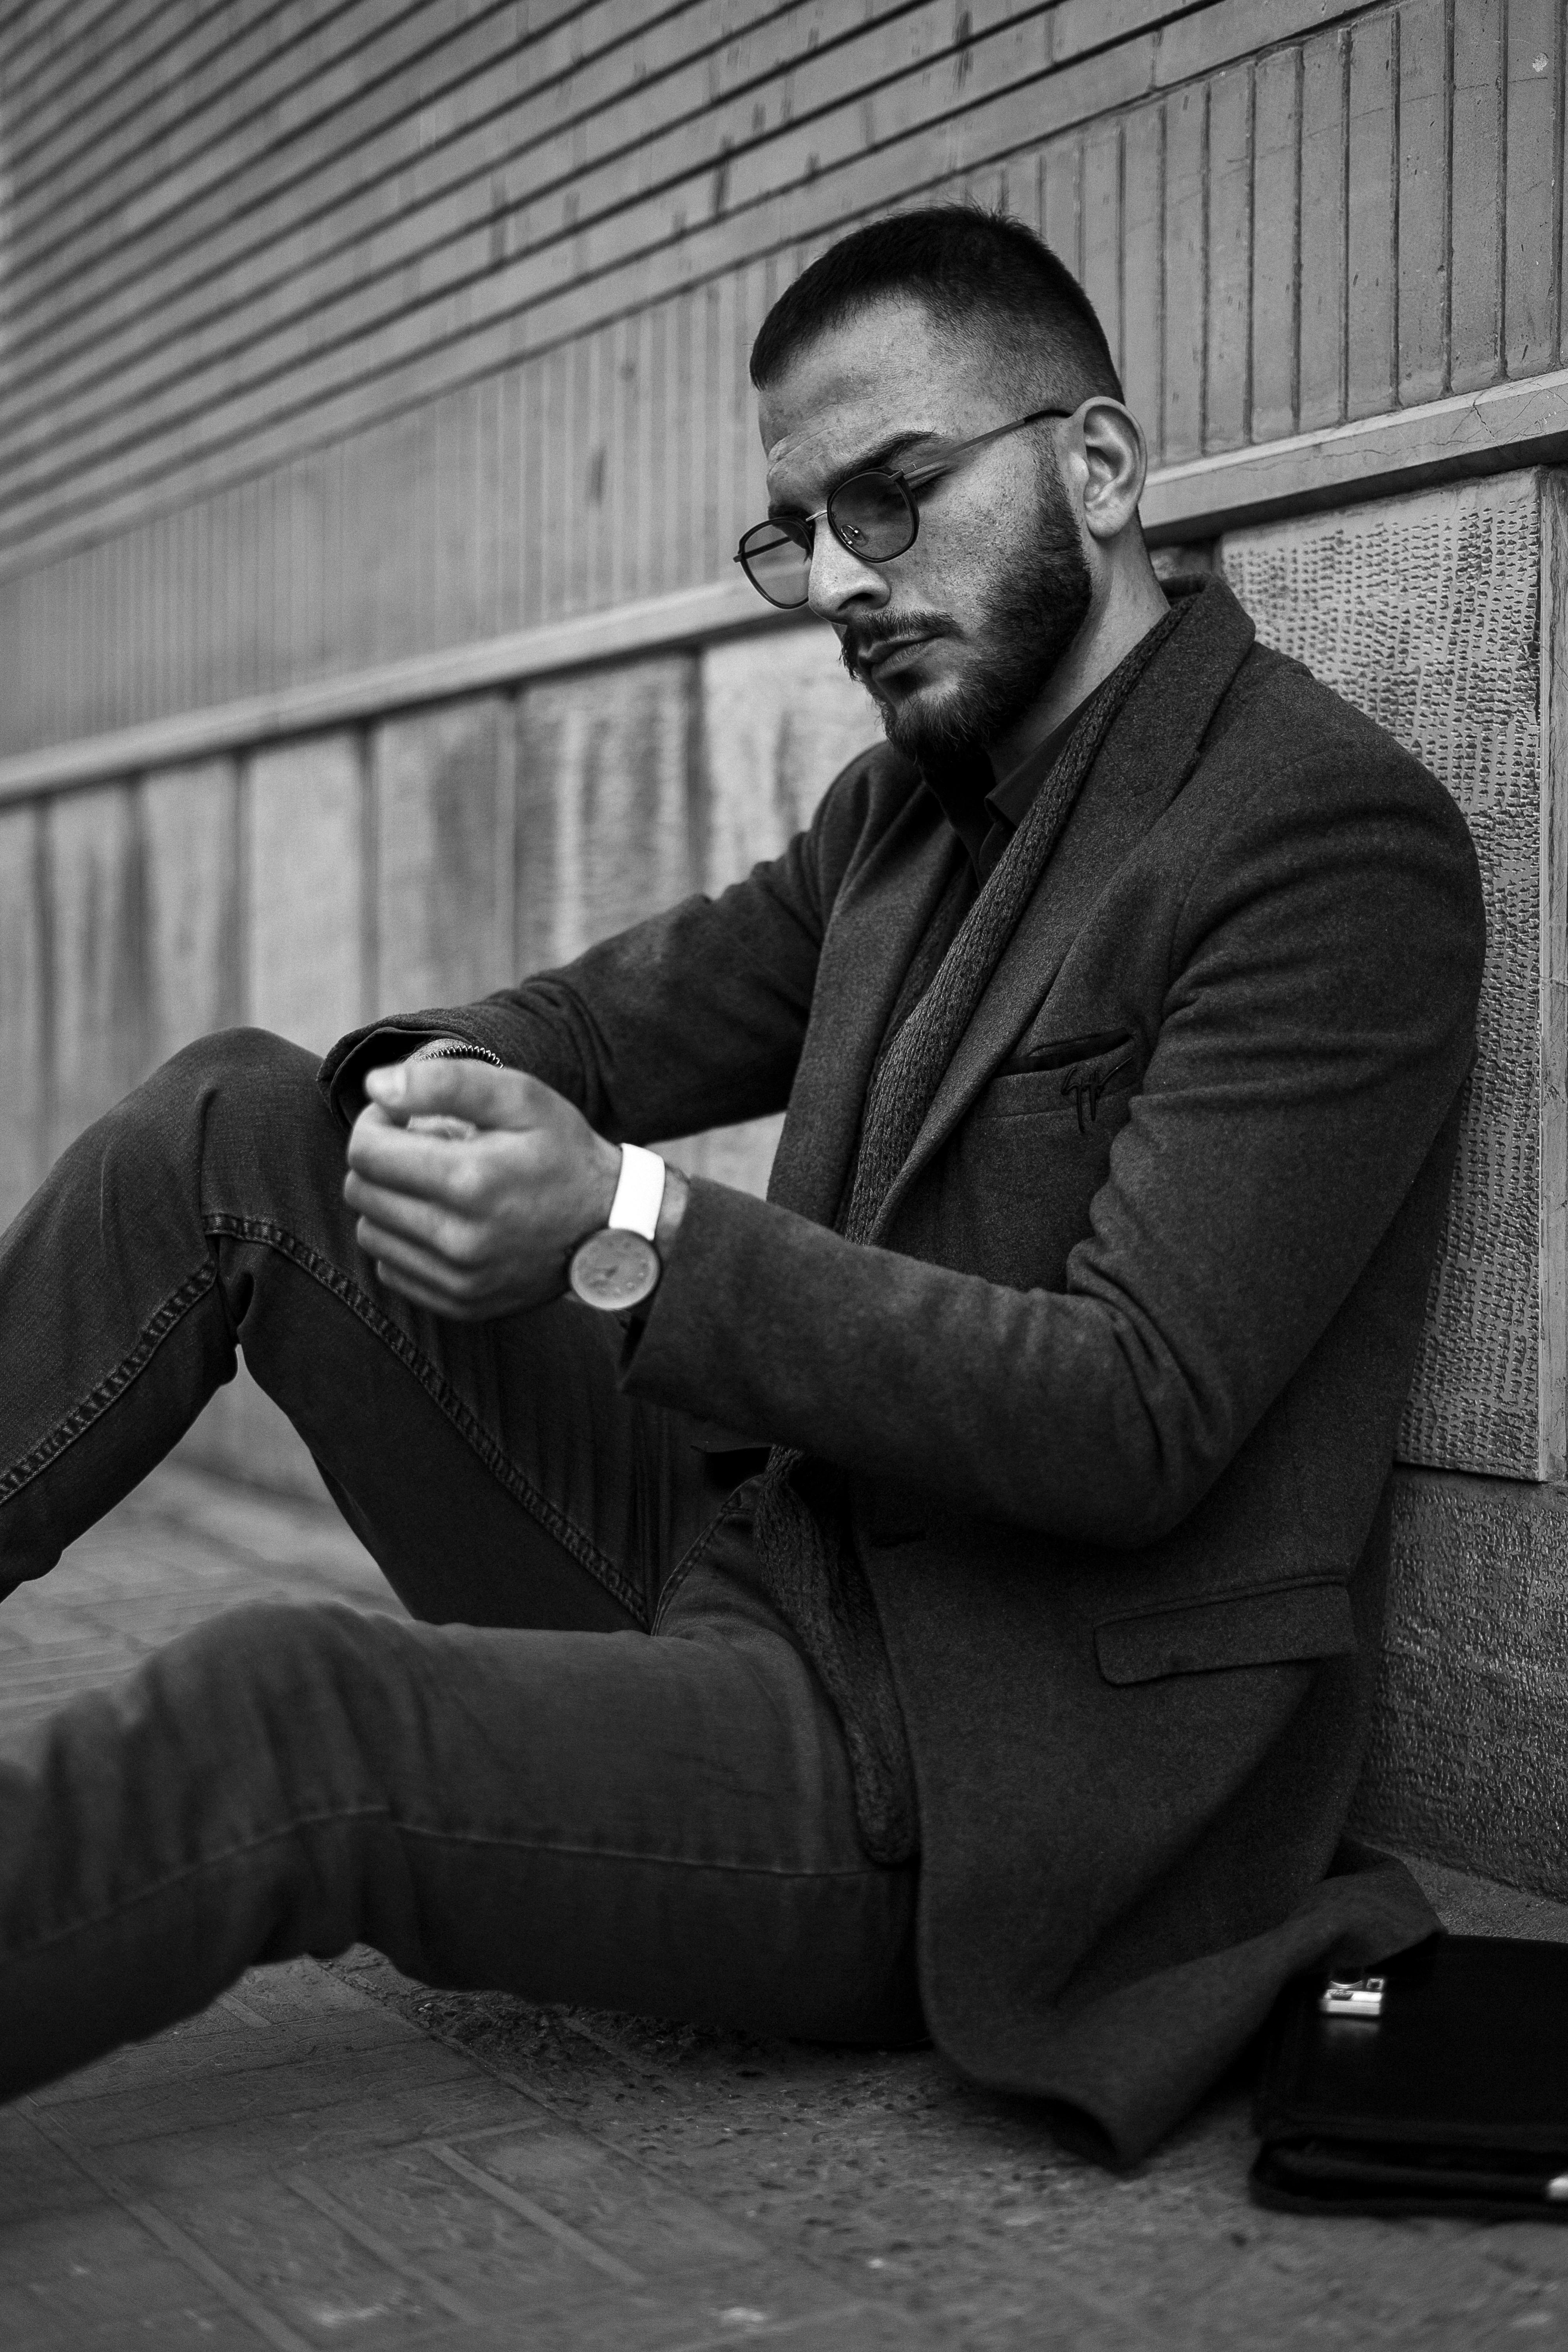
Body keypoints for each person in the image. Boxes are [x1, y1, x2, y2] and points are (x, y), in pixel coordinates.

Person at [0, 208, 1483, 2167]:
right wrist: (435, 1086)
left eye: (901, 494)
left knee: (289, 1713)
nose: (852, 580)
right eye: (807, 531)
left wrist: (625, 1229)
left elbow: (1135, 1416)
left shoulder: (1316, 839)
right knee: (229, 1123)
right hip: (754, 1572)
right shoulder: (897, 811)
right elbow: (616, 1020)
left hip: (970, 1786)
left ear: (1100, 467)